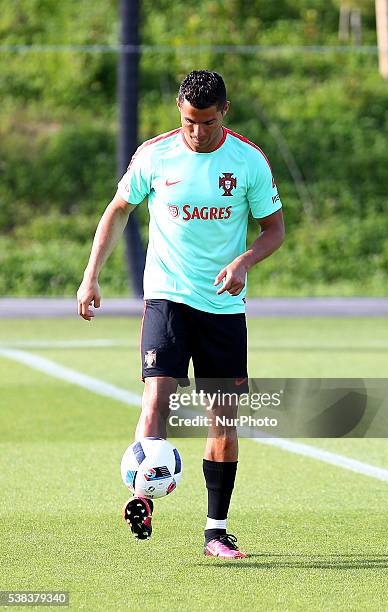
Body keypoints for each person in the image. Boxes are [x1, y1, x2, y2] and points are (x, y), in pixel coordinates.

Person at [77, 70, 285, 559]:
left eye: (207, 123)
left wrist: (245, 260)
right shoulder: (155, 154)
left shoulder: (249, 161)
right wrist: (91, 276)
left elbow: (274, 230)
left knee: (223, 421)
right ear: (179, 109)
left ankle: (216, 532)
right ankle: (141, 497)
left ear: (224, 113)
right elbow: (118, 209)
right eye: (189, 121)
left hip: (223, 306)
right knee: (156, 398)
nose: (197, 132)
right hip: (167, 295)